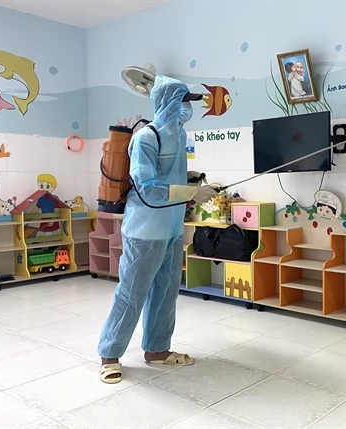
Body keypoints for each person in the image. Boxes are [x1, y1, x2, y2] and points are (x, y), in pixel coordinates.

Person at [98, 75, 217, 384]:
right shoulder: (145, 138)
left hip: (173, 229)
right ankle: (109, 355)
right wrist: (191, 193)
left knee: (166, 292)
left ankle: (157, 350)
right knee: (132, 292)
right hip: (145, 230)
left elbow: (170, 175)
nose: (186, 108)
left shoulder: (179, 132)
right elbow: (149, 187)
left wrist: (193, 180)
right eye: (183, 102)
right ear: (167, 102)